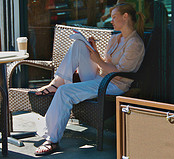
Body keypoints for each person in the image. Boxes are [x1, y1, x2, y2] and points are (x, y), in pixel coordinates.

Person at [34, 3, 145, 156]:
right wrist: (93, 50)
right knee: (79, 44)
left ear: (125, 17)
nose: (111, 21)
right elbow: (106, 63)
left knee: (65, 92)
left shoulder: (135, 43)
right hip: (101, 78)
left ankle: (51, 140)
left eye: (114, 17)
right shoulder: (116, 37)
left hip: (114, 84)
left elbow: (120, 73)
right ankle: (58, 81)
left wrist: (98, 60)